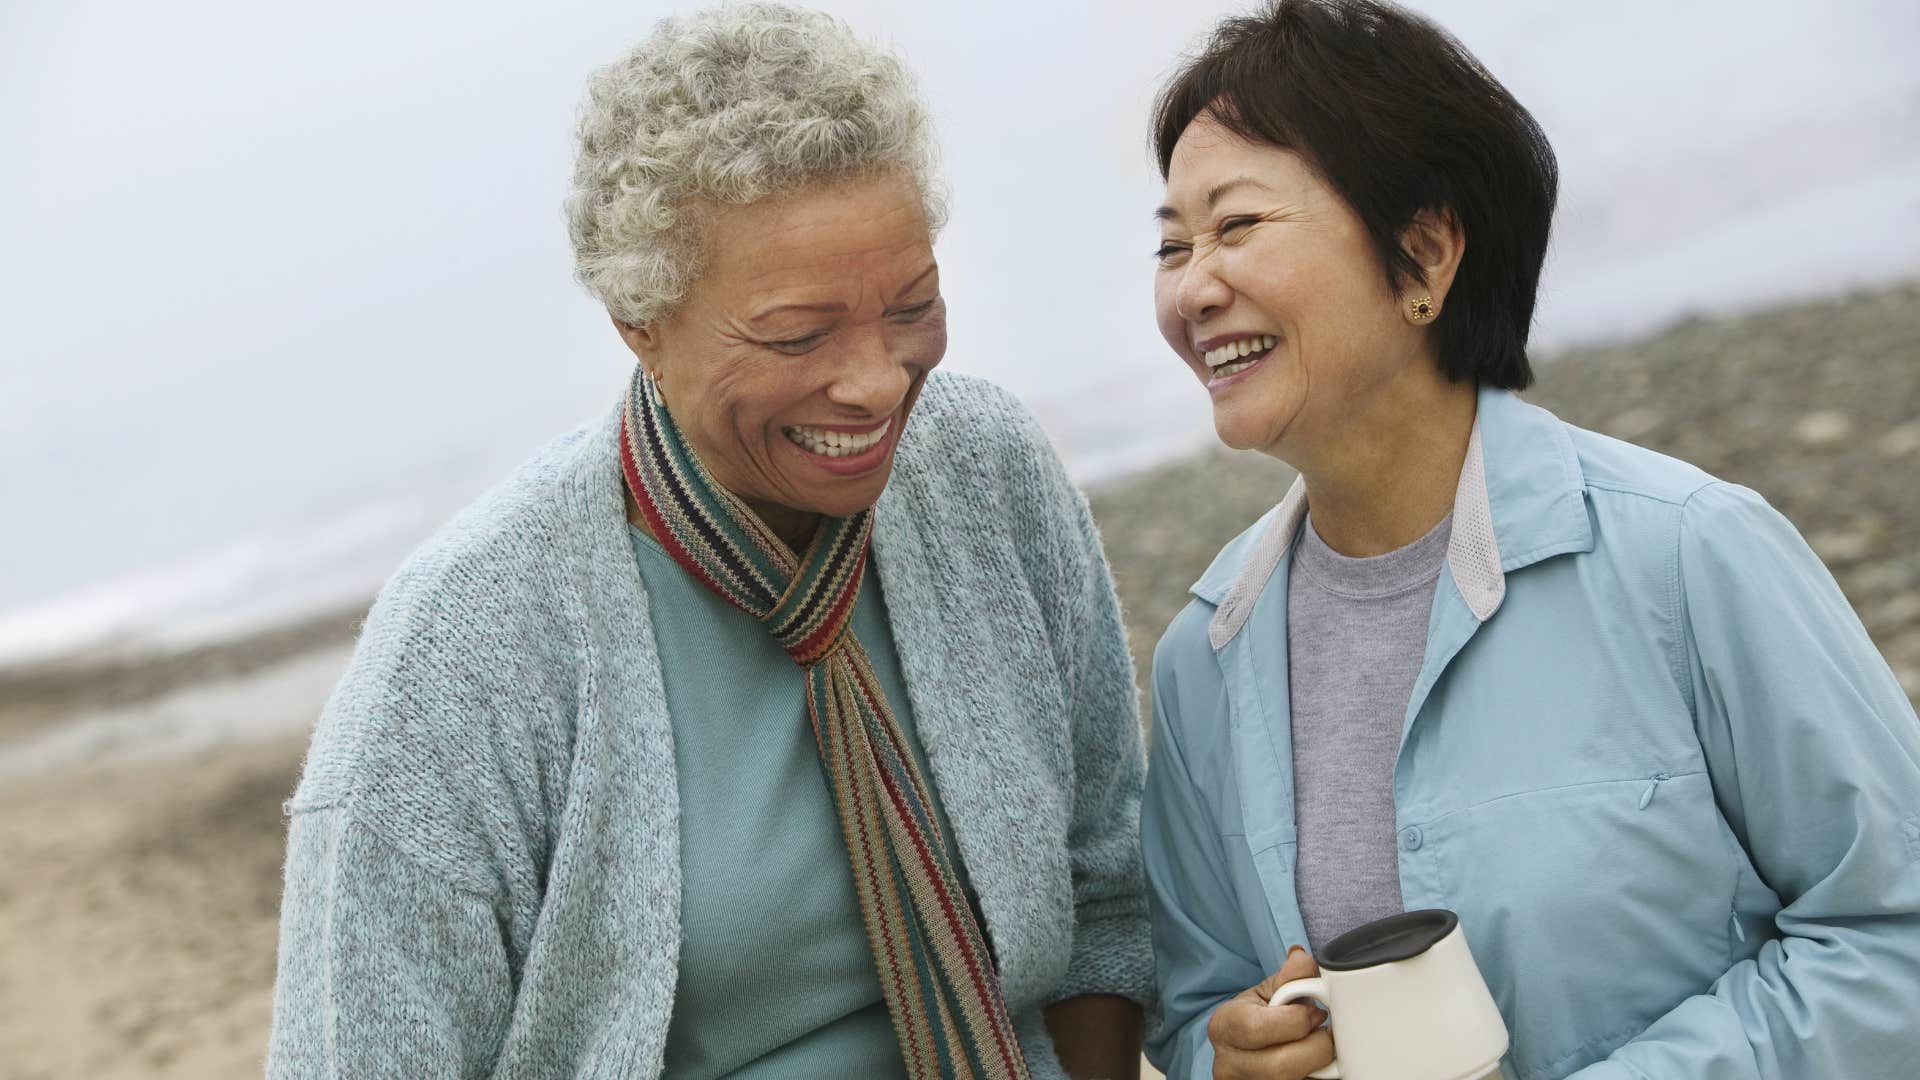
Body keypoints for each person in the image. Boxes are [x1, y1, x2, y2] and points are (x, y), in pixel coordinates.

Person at [266, 6, 1149, 1077]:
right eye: (798, 335)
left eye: (912, 305)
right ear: (640, 320)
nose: (876, 381)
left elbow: (1106, 888)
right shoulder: (467, 642)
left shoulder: (986, 470)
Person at [1137, 2, 1920, 1078]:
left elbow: (1894, 938)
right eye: (1172, 243)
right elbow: (1195, 1009)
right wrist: (1227, 1058)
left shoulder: (1690, 553)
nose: (1191, 287)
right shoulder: (1204, 661)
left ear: (1424, 253)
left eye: (1235, 226)